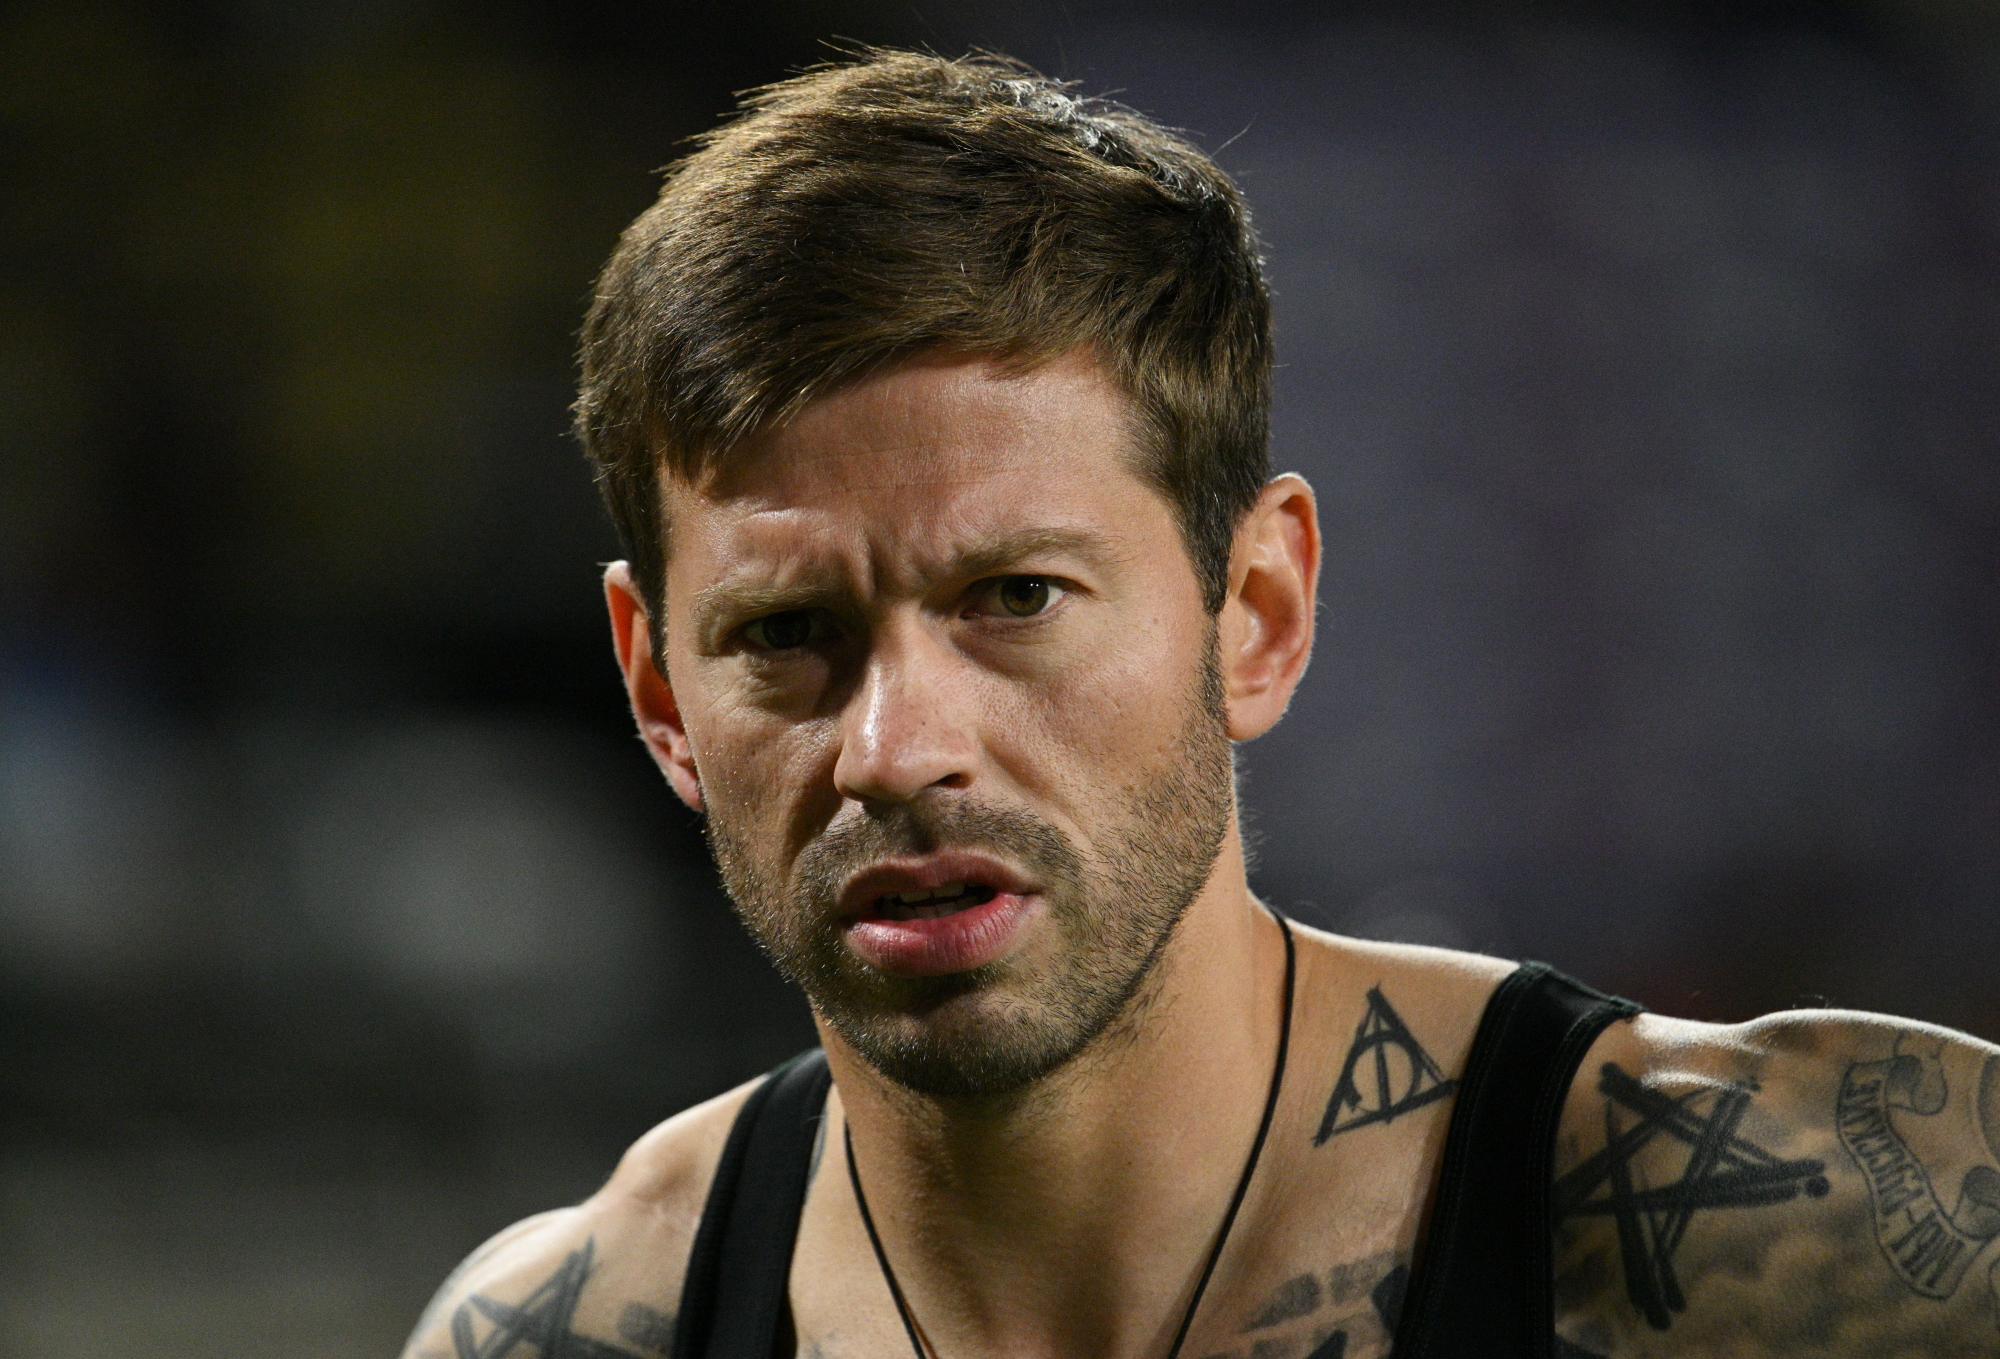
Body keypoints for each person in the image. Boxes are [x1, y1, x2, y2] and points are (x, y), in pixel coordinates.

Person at [400, 50, 2000, 1359]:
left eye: (1015, 598)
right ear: (660, 694)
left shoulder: (1822, 1226)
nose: (897, 749)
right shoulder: (570, 1334)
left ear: (1258, 614)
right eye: (787, 633)